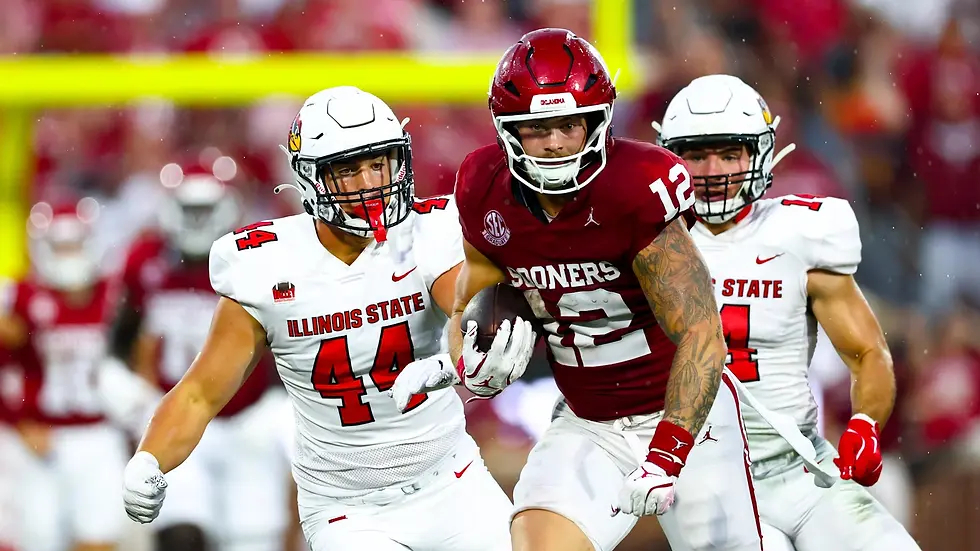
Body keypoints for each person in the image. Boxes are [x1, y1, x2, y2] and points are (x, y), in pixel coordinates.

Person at [393, 28, 762, 551]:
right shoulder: (484, 186)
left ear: (597, 122)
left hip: (688, 420)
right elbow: (472, 304)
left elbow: (702, 335)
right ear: (507, 131)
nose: (556, 141)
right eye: (537, 127)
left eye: (569, 124)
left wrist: (668, 452)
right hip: (588, 421)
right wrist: (461, 362)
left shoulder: (636, 187)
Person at [120, 86, 514, 551]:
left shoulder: (427, 235)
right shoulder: (266, 266)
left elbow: (470, 315)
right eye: (348, 169)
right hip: (348, 509)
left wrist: (471, 348)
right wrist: (149, 459)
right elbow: (200, 394)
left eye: (378, 162)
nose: (369, 181)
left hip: (453, 481)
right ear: (311, 179)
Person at [653, 73, 920, 551]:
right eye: (697, 154)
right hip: (701, 481)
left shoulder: (800, 233)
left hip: (801, 466)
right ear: (671, 159)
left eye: (730, 152)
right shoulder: (647, 242)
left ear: (759, 154)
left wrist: (864, 423)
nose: (714, 170)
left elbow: (866, 351)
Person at [103, 159, 291, 551]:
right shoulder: (145, 261)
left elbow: (288, 331)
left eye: (205, 209)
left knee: (253, 537)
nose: (196, 219)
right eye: (189, 209)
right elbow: (119, 342)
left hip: (248, 418)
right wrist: (126, 387)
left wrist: (282, 399)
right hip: (179, 415)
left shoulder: (256, 256)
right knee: (180, 535)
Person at [0, 201, 128, 551]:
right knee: (38, 539)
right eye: (60, 245)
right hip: (39, 438)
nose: (69, 254)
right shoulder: (19, 298)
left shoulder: (113, 293)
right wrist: (17, 419)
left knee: (98, 539)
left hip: (99, 433)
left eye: (75, 244)